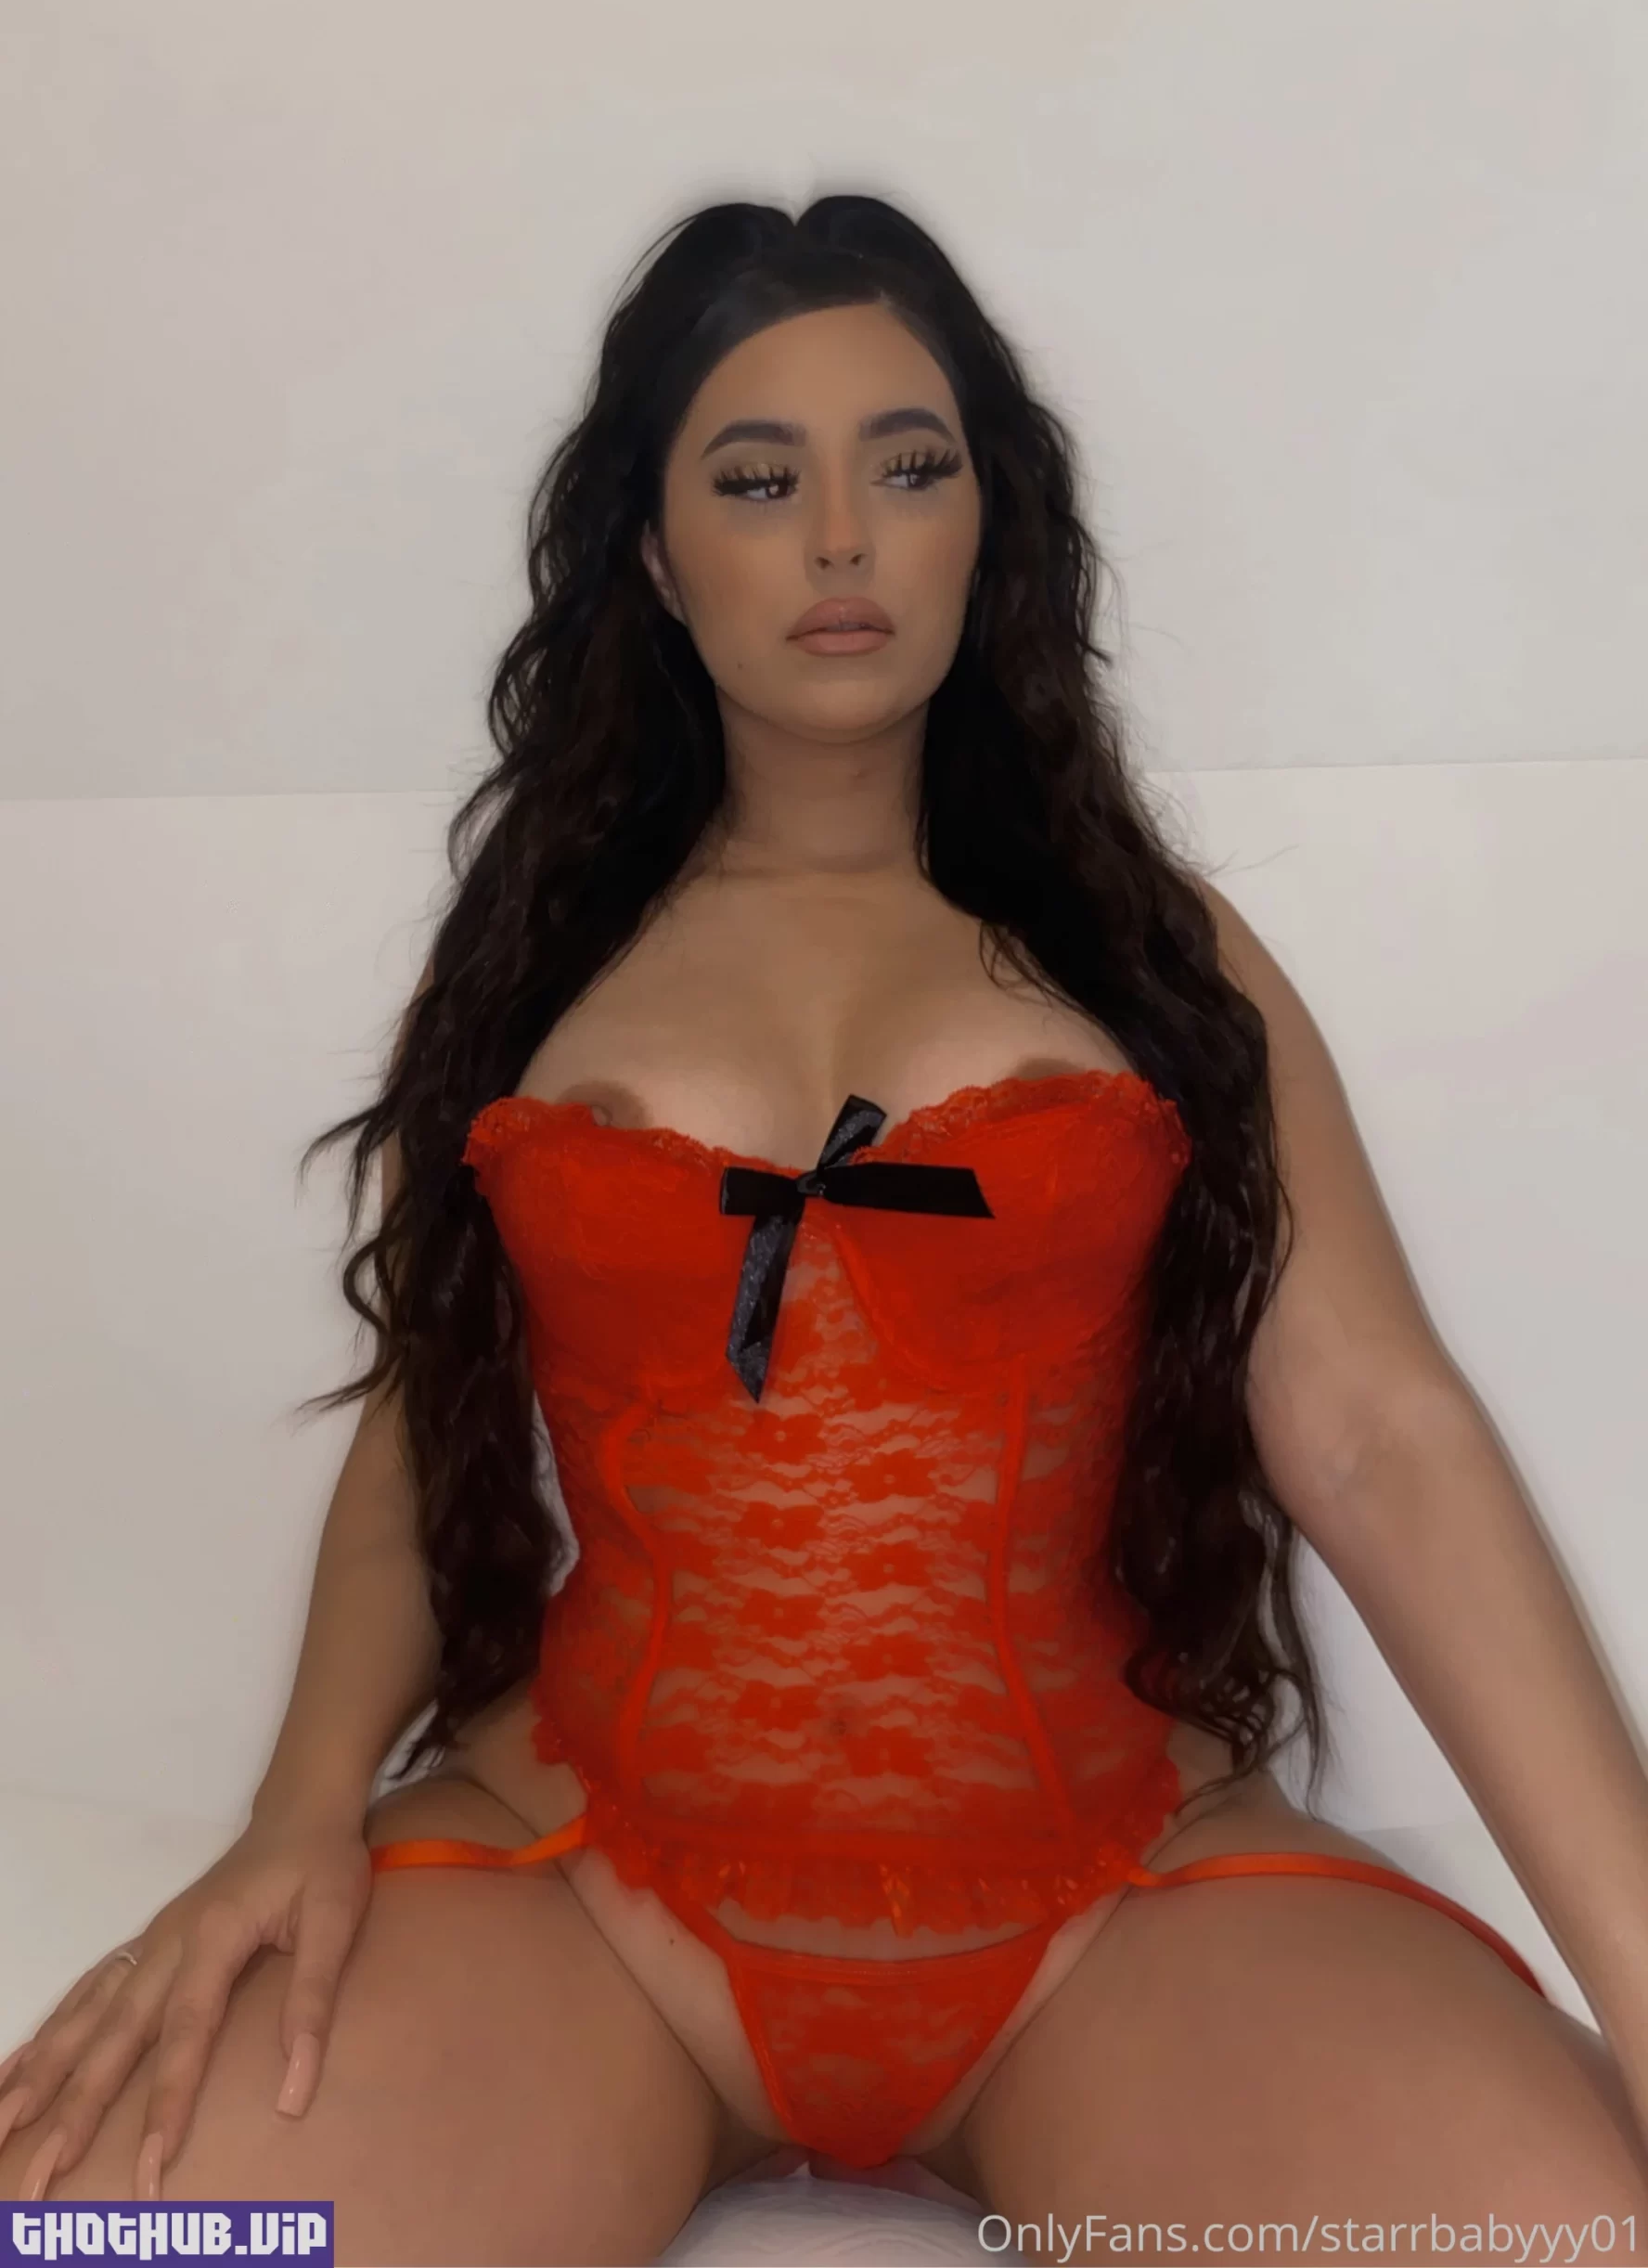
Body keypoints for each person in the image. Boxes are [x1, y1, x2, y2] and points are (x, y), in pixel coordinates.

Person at [4, 194, 1646, 2267]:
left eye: (913, 464)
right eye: (761, 479)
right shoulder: (524, 971)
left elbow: (1384, 1435)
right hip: (583, 1900)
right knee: (94, 2241)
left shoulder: (1159, 958)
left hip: (1116, 1920)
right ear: (653, 552)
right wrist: (295, 1814)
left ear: (991, 523)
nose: (845, 538)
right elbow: (427, 1430)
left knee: (1576, 2237)